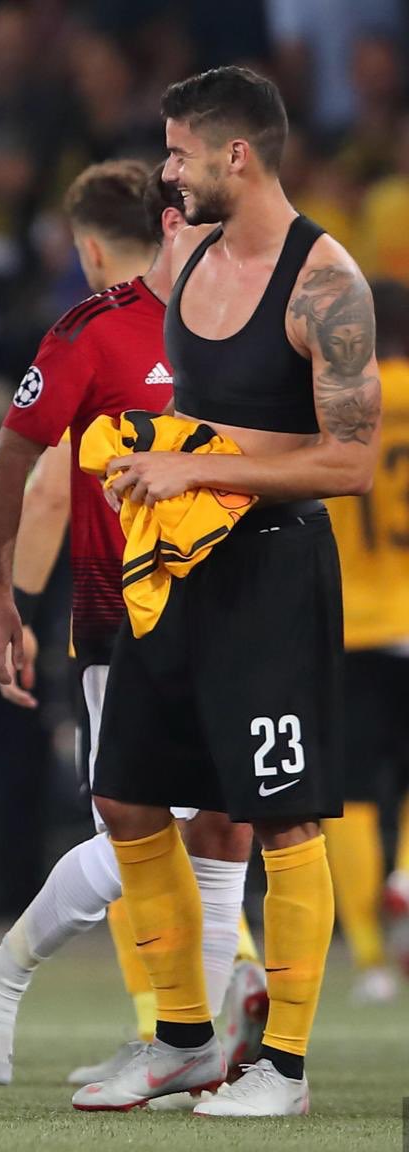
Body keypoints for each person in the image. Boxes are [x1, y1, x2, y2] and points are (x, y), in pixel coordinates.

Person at [75, 66, 377, 1118]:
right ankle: (181, 1041)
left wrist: (197, 468)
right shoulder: (188, 251)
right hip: (176, 565)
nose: (167, 172)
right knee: (123, 794)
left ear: (235, 155)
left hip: (273, 575)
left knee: (282, 819)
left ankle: (282, 1070)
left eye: (178, 153)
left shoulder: (326, 284)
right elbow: (193, 408)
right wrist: (143, 449)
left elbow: (349, 462)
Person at [0, 160, 268, 1087]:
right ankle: (9, 964)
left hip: (237, 614)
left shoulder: (260, 325)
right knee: (145, 820)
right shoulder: (94, 330)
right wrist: (0, 596)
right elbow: (16, 461)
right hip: (125, 620)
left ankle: (191, 1049)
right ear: (173, 224)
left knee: (224, 830)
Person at [318, 278, 409, 1004]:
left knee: (348, 789)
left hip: (353, 618)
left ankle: (374, 961)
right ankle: (407, 879)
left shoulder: (338, 400)